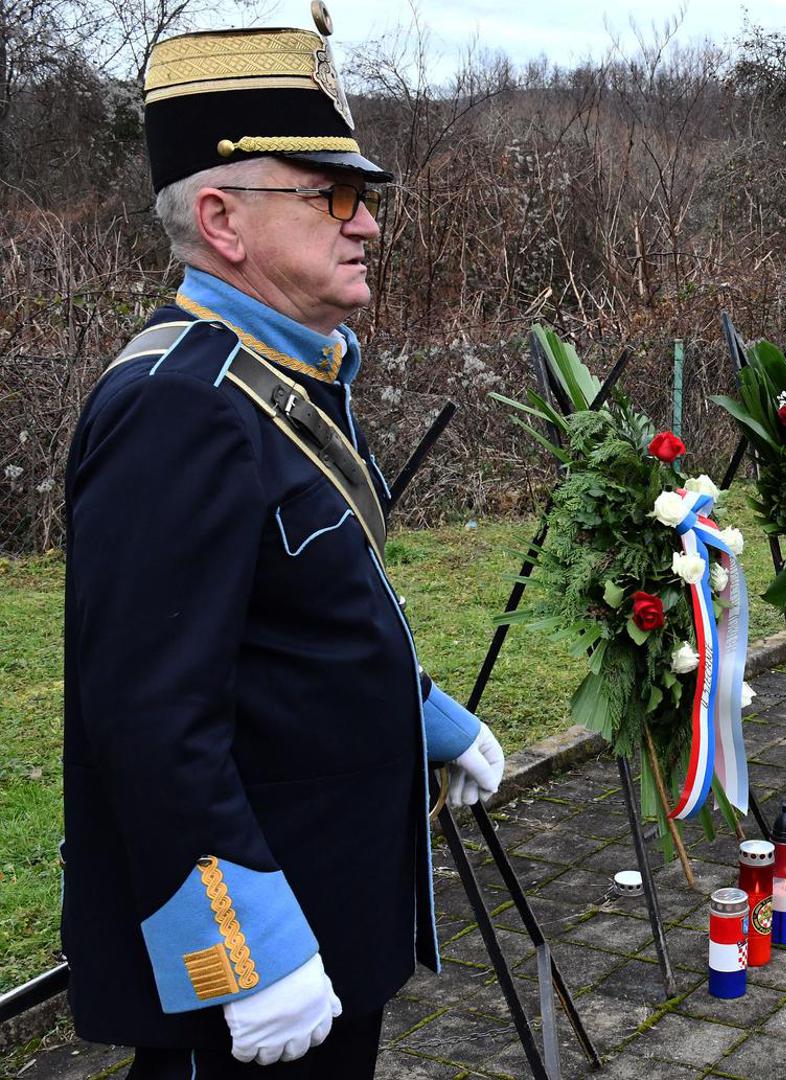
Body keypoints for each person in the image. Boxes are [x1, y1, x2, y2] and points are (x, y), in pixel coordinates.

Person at [60, 7, 504, 1075]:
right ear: (223, 219)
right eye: (331, 194)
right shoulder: (183, 404)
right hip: (261, 949)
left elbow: (293, 613)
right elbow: (149, 717)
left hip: (326, 911)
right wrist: (244, 955)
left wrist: (425, 715)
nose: (366, 224)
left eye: (360, 198)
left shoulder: (281, 371)